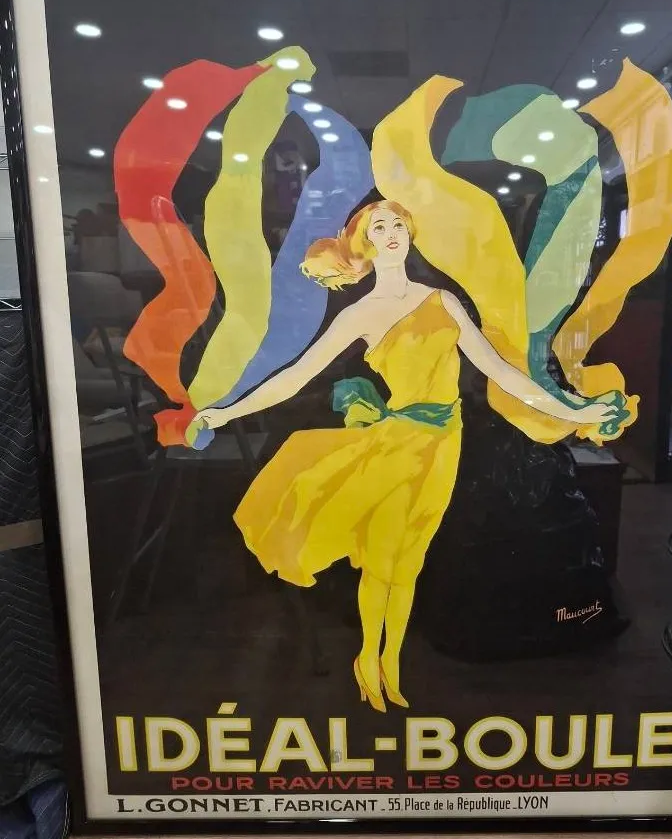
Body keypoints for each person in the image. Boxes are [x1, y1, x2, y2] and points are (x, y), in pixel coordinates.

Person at [191, 200, 619, 712]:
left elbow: (501, 372)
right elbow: (296, 376)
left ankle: (389, 662)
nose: (392, 232)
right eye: (380, 226)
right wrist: (227, 412)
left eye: (398, 224)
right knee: (383, 558)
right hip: (399, 443)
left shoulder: (443, 301)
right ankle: (370, 658)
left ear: (410, 234)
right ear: (366, 241)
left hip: (444, 444)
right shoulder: (360, 313)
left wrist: (572, 409)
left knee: (408, 561)